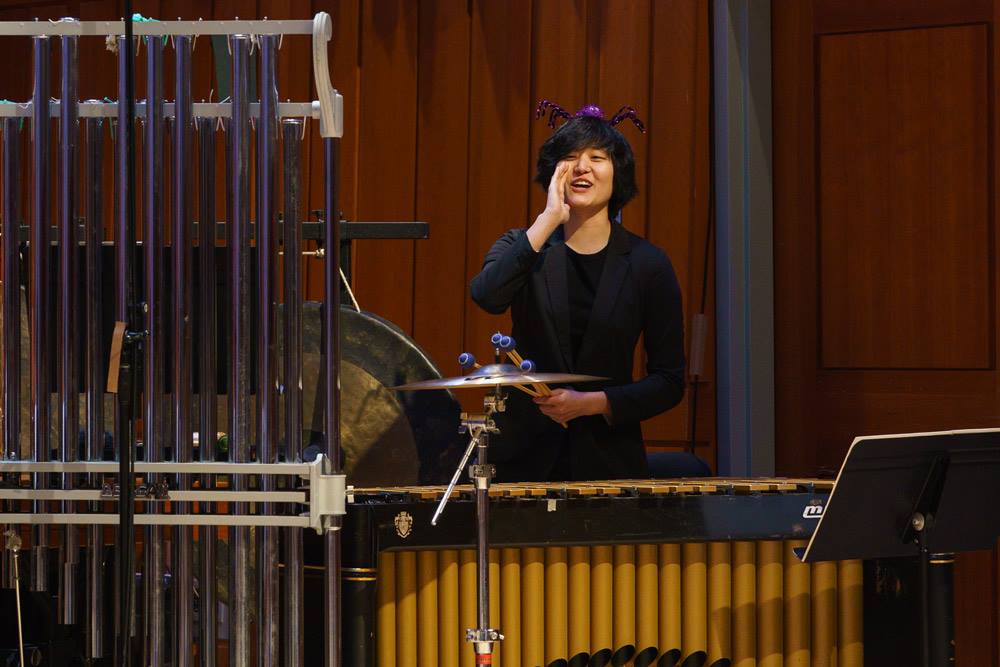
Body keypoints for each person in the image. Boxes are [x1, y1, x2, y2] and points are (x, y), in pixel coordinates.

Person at [470, 102, 686, 482]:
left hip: (607, 462)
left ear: (618, 174)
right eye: (569, 157)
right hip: (523, 462)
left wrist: (592, 403)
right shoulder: (522, 245)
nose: (582, 166)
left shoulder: (648, 264)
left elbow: (669, 381)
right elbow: (487, 296)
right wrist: (549, 219)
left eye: (597, 157)